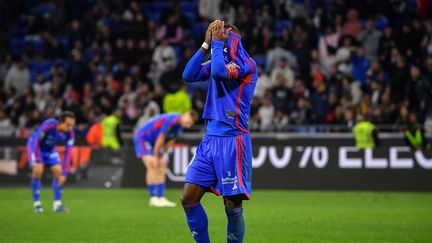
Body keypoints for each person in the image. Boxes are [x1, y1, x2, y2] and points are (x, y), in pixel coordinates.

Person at [181, 20, 257, 243]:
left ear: (234, 37)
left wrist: (216, 46)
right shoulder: (218, 58)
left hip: (233, 139)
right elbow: (189, 74)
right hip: (209, 140)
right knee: (188, 199)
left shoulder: (247, 64)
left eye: (223, 34)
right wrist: (206, 44)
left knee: (231, 205)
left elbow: (219, 74)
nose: (218, 36)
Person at [133, 111, 198, 207]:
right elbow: (161, 138)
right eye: (188, 122)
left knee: (162, 164)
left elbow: (170, 142)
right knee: (152, 164)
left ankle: (161, 197)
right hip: (143, 138)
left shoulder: (179, 127)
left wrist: (162, 155)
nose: (188, 126)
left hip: (153, 142)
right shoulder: (172, 120)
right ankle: (153, 197)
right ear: (186, 114)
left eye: (190, 124)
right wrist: (156, 156)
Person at [26, 111, 75, 213]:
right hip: (36, 147)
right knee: (38, 171)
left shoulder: (70, 134)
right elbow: (37, 140)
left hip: (50, 150)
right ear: (61, 122)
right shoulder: (49, 124)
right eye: (68, 125)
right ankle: (37, 204)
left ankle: (57, 205)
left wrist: (64, 173)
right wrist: (38, 160)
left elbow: (68, 153)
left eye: (72, 125)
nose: (70, 127)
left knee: (59, 173)